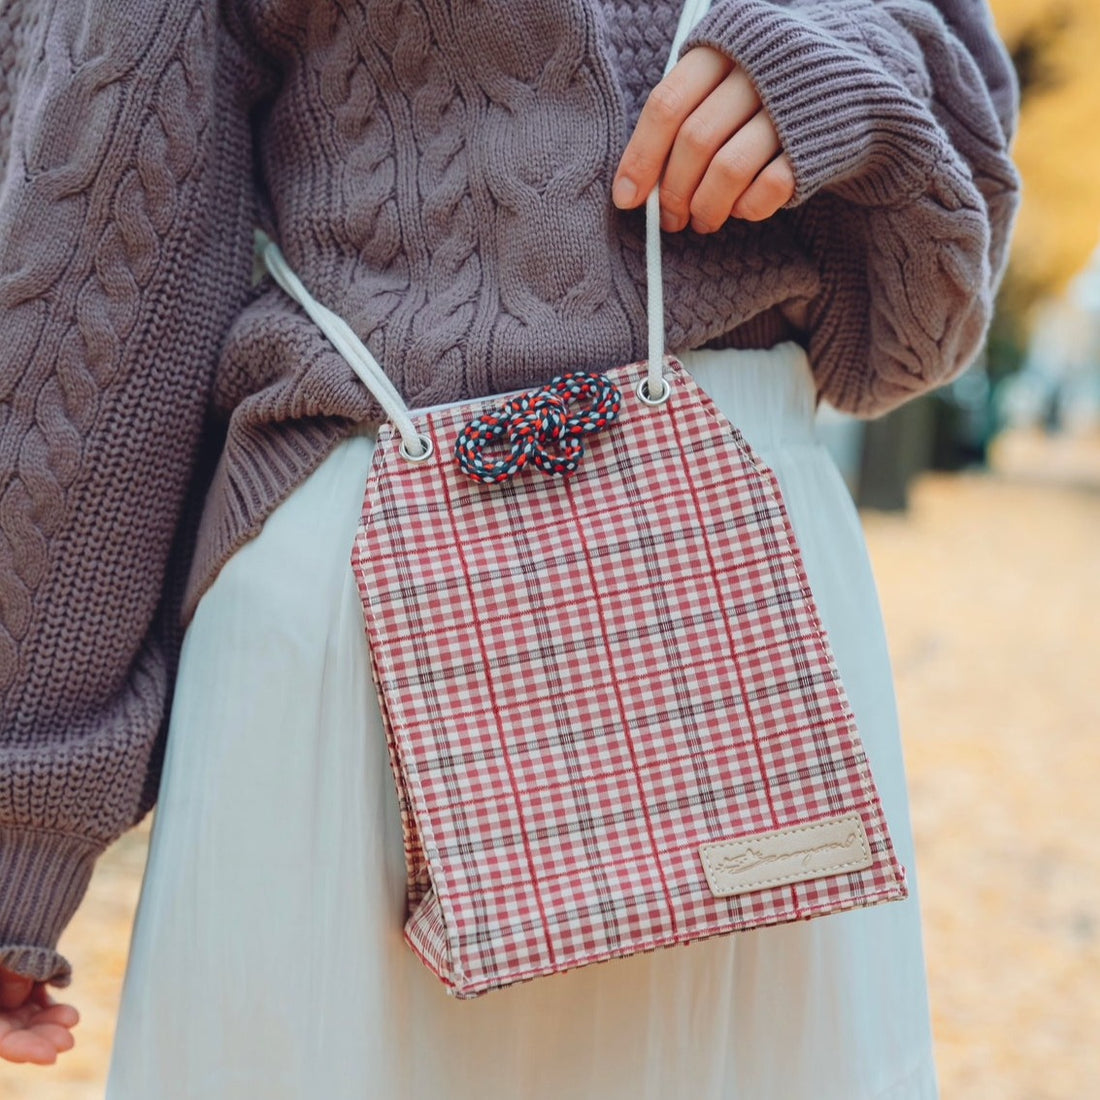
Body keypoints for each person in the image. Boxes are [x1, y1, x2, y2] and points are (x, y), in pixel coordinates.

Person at [0, 0, 1018, 1095]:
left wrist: (837, 68)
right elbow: (96, 251)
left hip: (731, 581)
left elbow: (924, 315)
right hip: (377, 616)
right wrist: (21, 822)